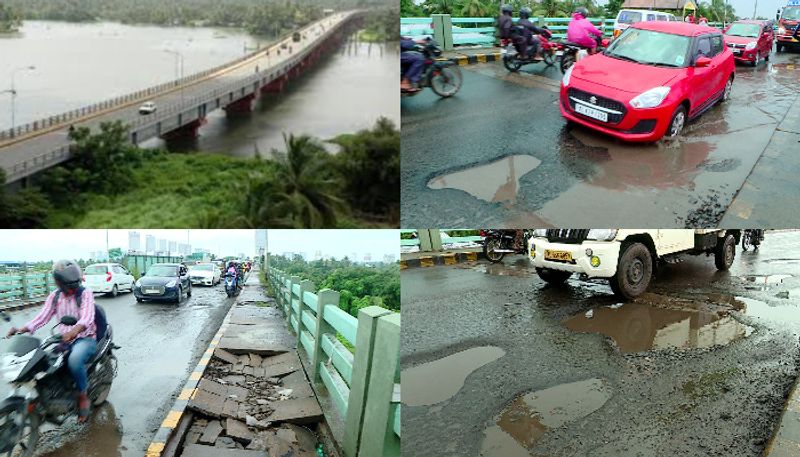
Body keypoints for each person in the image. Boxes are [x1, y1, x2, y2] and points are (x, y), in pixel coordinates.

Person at [6, 260, 96, 422]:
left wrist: (74, 331)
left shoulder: (85, 293)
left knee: (75, 360)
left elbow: (87, 317)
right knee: (43, 362)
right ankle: (53, 396)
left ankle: (83, 396)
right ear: (58, 282)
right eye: (69, 285)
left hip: (85, 338)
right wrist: (21, 329)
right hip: (63, 339)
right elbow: (41, 318)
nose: (72, 288)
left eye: (75, 284)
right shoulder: (55, 297)